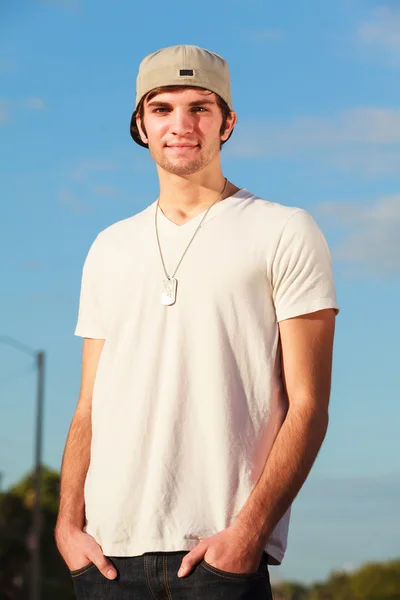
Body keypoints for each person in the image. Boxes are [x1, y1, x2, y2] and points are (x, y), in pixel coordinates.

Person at [55, 44, 339, 600]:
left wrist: (249, 533)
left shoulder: (285, 230)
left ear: (227, 122)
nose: (181, 125)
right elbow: (89, 405)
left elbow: (308, 405)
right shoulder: (109, 247)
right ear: (140, 123)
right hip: (106, 559)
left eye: (200, 108)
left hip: (219, 554)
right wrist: (68, 526)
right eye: (161, 108)